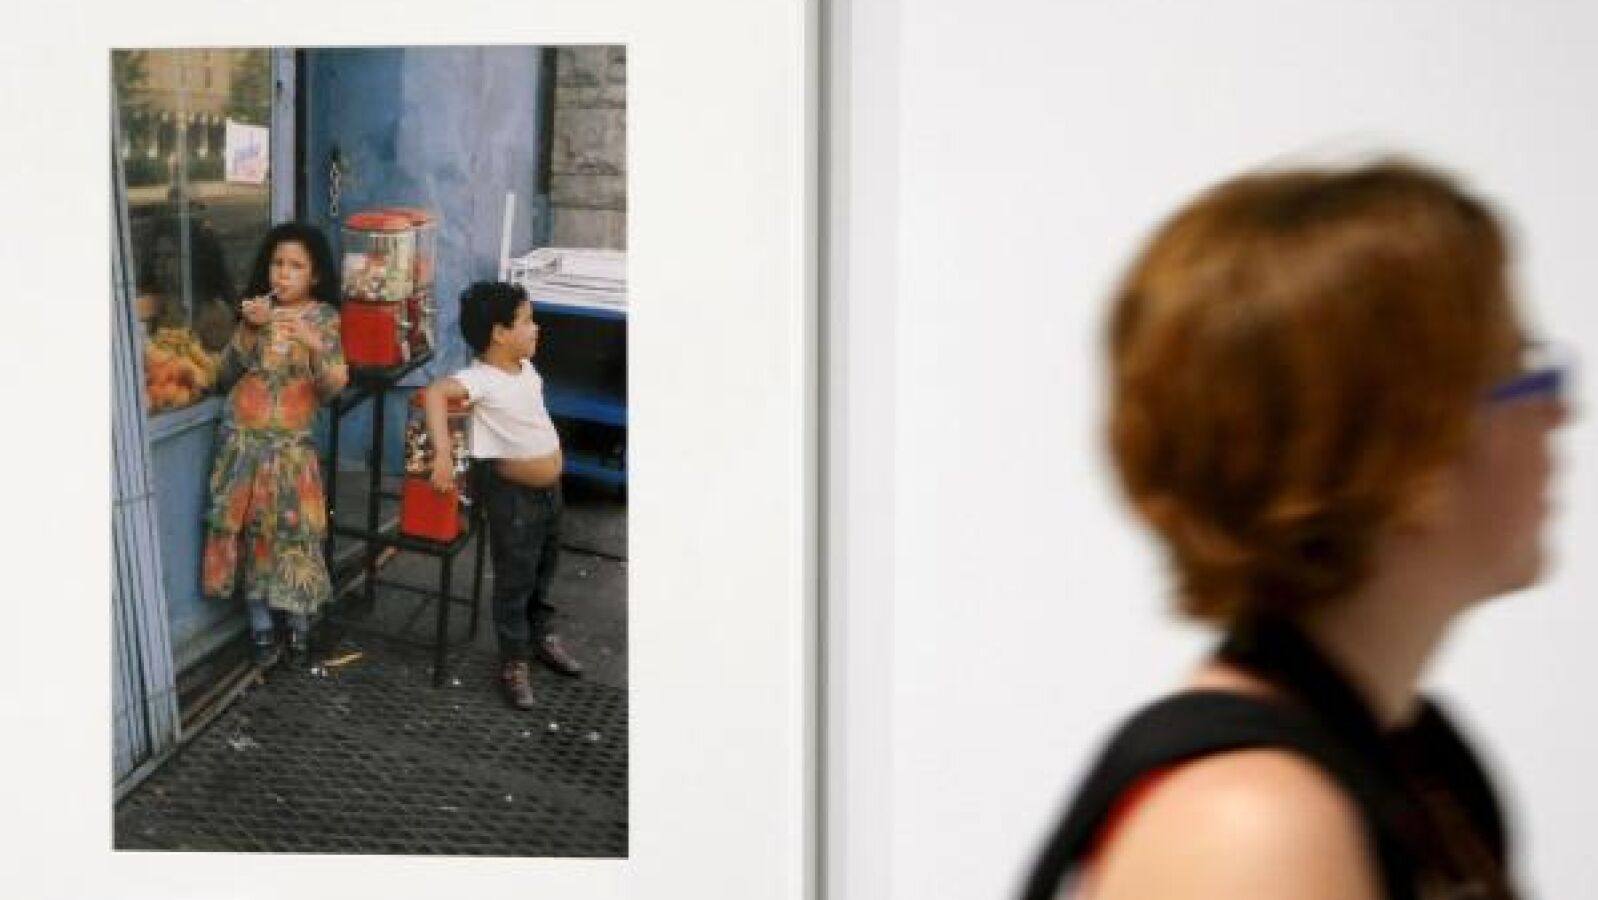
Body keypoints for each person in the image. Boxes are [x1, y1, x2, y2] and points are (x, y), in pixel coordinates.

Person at [1022, 161, 1570, 899]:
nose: (1559, 410)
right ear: (1411, 453)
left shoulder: (1418, 765)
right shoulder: (1252, 827)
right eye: (1522, 371)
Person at [423, 280, 584, 711]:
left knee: (543, 571)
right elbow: (435, 393)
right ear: (499, 333)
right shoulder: (481, 379)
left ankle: (541, 636)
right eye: (527, 321)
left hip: (550, 495)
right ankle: (514, 660)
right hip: (515, 501)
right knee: (515, 580)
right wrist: (443, 455)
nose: (536, 327)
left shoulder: (524, 368)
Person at [200, 222, 349, 668]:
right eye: (277, 263)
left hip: (291, 453)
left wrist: (314, 346)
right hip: (242, 447)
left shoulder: (324, 318)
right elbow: (224, 376)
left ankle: (300, 627)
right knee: (252, 538)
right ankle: (261, 629)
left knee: (294, 537)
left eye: (296, 266)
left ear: (315, 275)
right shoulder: (257, 312)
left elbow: (333, 388)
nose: (283, 273)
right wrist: (247, 329)